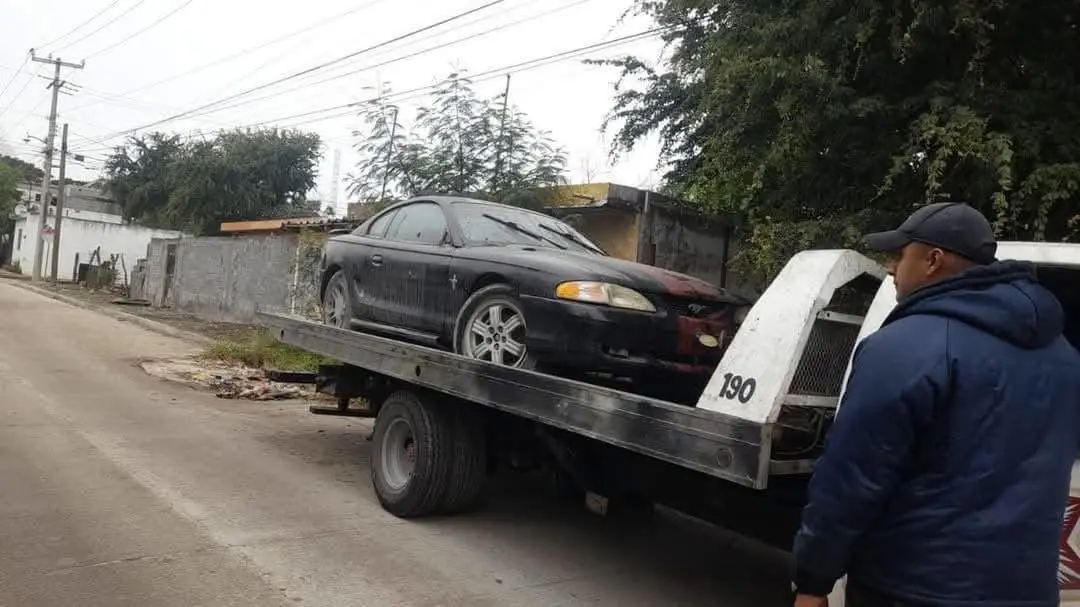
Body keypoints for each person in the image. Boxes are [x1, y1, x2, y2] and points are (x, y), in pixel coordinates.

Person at [791, 202, 1080, 607]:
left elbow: (852, 477)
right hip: (1026, 590)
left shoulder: (905, 346)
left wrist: (813, 580)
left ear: (932, 260)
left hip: (914, 587)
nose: (890, 267)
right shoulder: (1064, 356)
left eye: (898, 254)